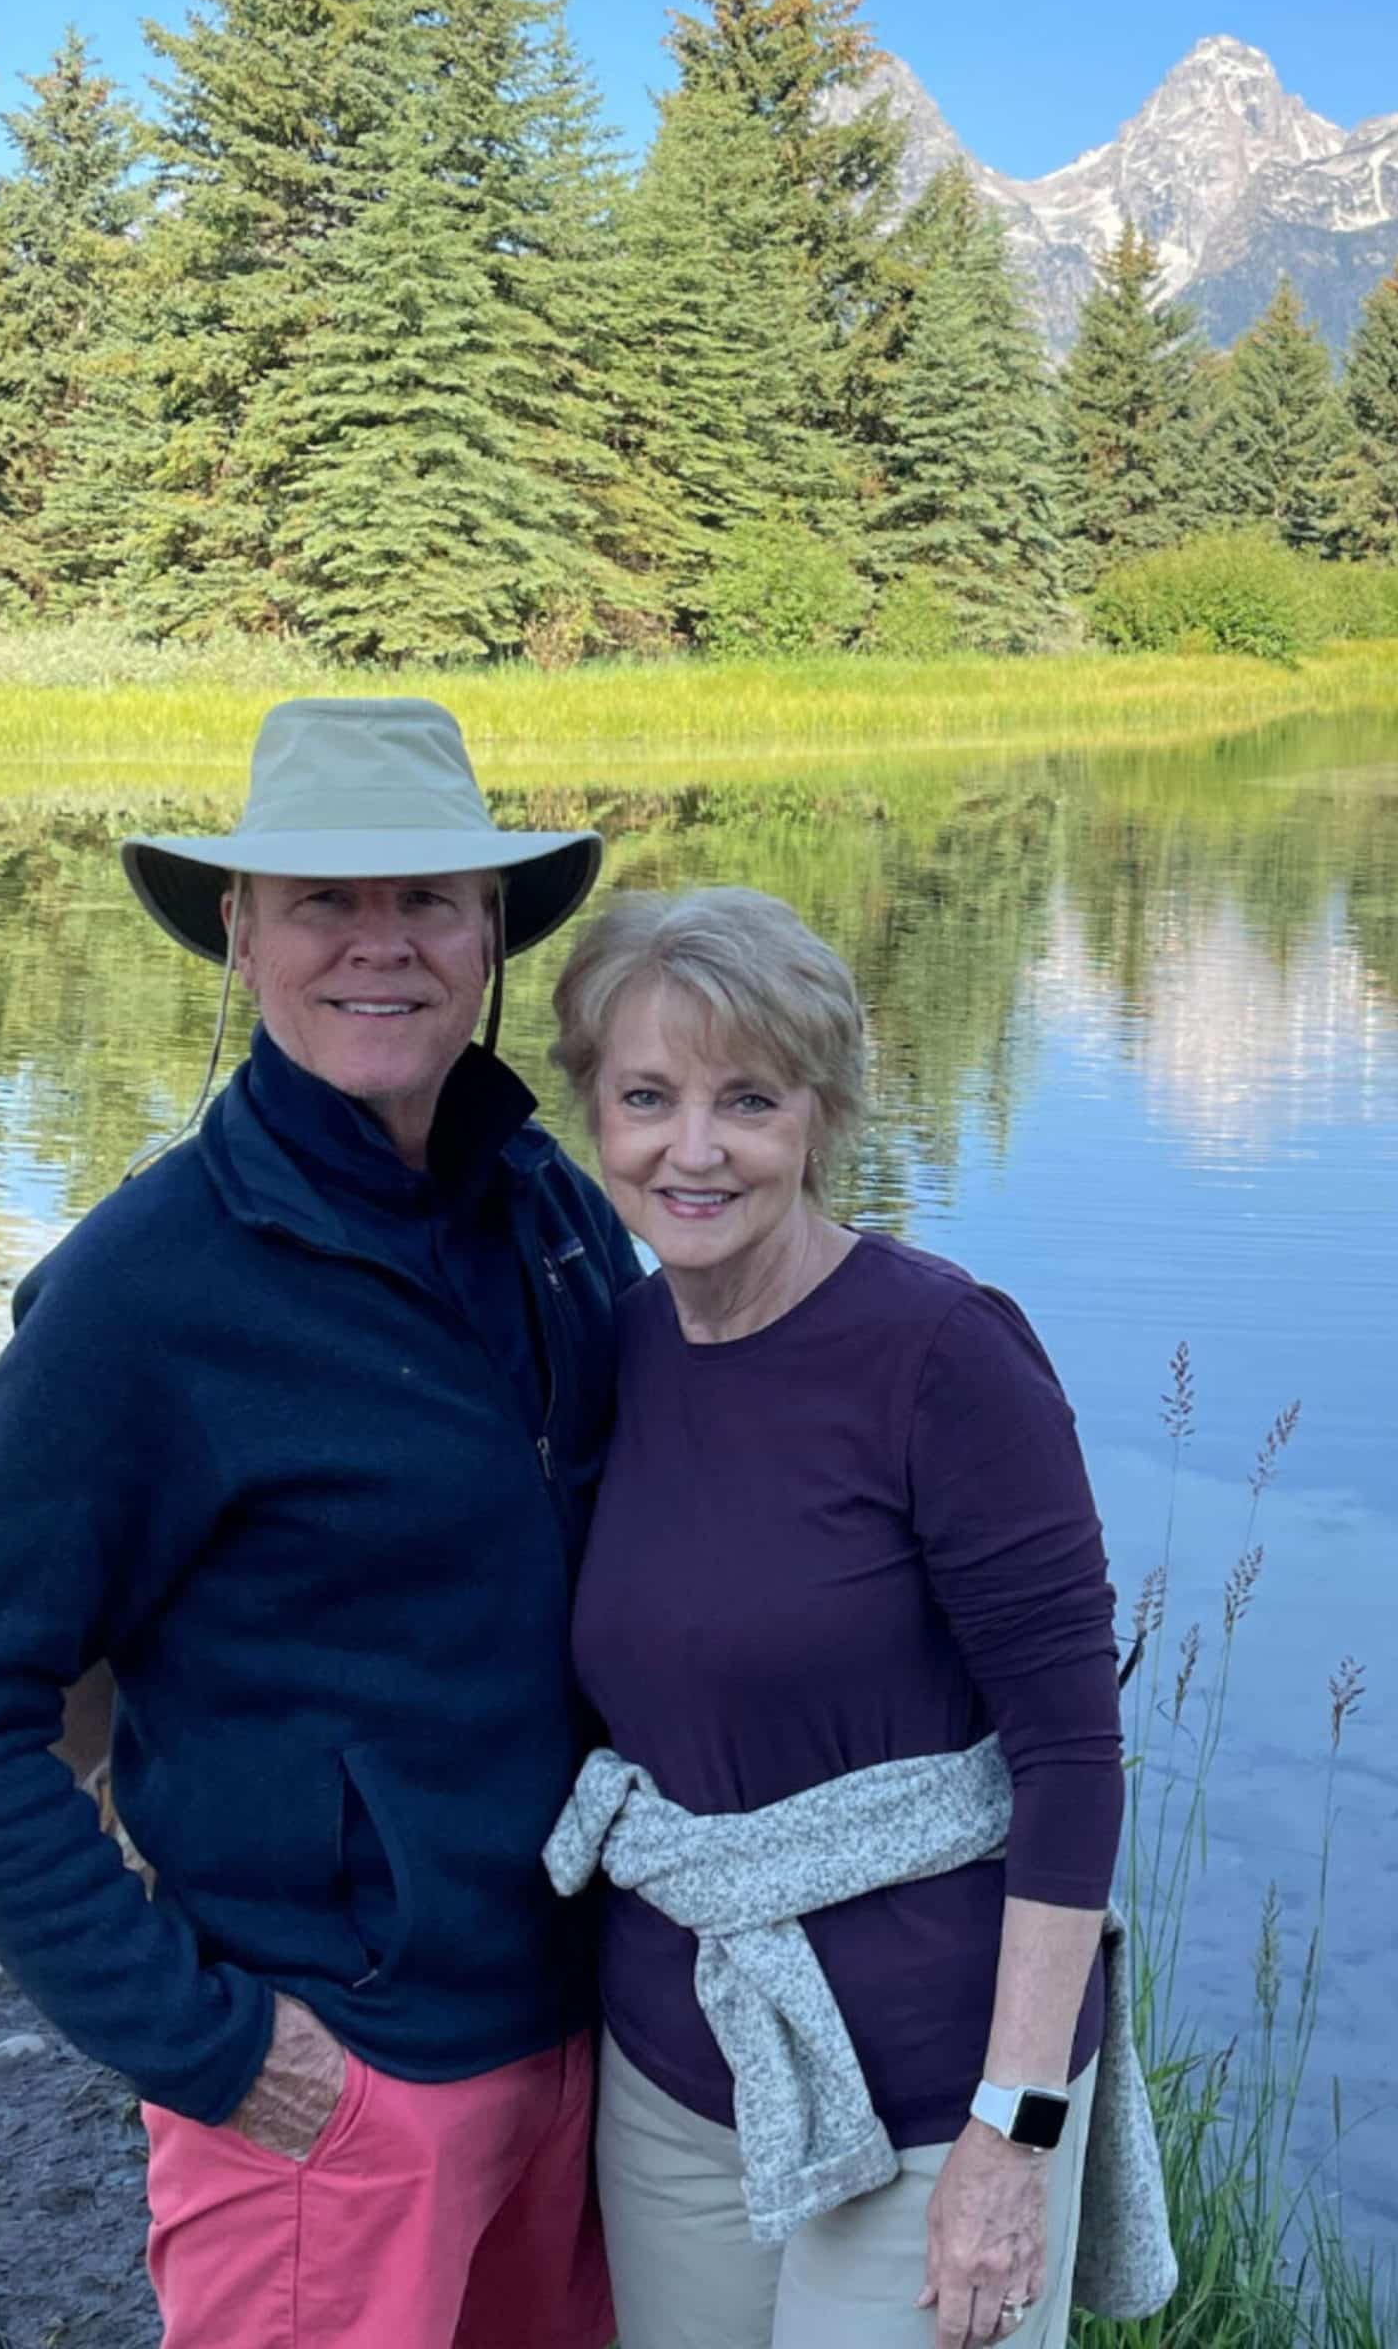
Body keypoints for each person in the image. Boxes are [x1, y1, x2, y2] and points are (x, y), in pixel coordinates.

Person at [0, 696, 639, 2349]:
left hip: (589, 2058)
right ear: (242, 936)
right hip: (341, 2096)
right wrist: (211, 2049)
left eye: (426, 900)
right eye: (326, 901)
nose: (377, 945)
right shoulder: (141, 1297)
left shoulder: (549, 1214)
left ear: (490, 938)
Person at [541, 887, 1174, 2349]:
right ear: (596, 1117)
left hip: (936, 2095)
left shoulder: (943, 1357)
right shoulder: (619, 1354)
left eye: (747, 1100)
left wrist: (1012, 2133)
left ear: (821, 1114)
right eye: (648, 1098)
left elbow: (1074, 1763)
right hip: (676, 2079)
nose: (692, 1150)